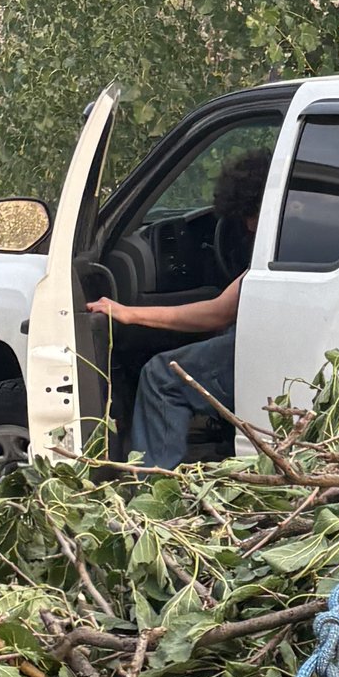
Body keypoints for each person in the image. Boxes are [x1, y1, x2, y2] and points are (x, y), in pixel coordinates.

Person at [88, 152, 268, 466]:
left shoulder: (286, 242)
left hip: (274, 344)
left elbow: (217, 313)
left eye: (252, 214)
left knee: (161, 376)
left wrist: (129, 313)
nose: (250, 227)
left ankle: (155, 484)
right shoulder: (313, 228)